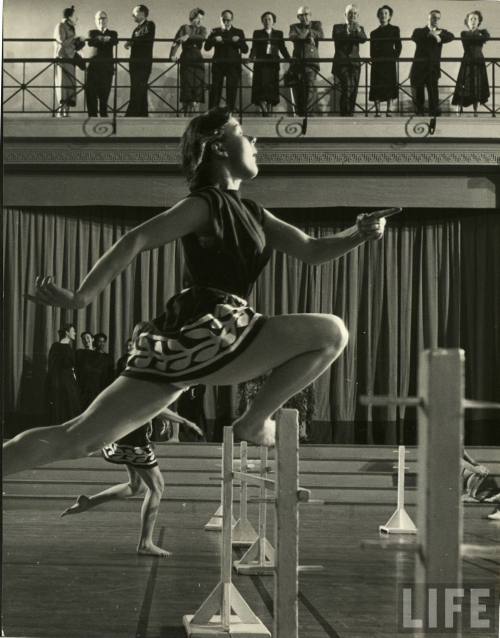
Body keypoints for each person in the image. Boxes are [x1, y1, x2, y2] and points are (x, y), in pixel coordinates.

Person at [5, 106, 389, 479]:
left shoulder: (252, 211)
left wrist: (359, 233)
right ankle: (254, 420)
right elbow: (136, 238)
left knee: (77, 437)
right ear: (219, 146)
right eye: (242, 131)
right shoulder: (204, 203)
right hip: (212, 325)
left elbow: (312, 250)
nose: (255, 141)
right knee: (331, 332)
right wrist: (80, 297)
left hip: (186, 345)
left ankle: (254, 419)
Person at [61, 323, 203, 556]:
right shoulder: (143, 366)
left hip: (124, 432)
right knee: (157, 487)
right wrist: (184, 421)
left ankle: (89, 502)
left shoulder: (133, 363)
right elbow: (155, 405)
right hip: (132, 436)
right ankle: (145, 543)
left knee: (136, 486)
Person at [410, 10, 454, 117]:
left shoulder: (442, 32)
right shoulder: (419, 31)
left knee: (433, 91)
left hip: (432, 67)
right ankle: (419, 112)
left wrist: (438, 36)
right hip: (419, 67)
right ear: (428, 17)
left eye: (438, 18)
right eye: (434, 17)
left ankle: (433, 114)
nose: (436, 20)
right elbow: (414, 36)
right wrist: (430, 34)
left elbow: (451, 36)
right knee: (419, 90)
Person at [204, 10, 248, 112]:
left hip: (233, 65)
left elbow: (245, 49)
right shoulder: (215, 31)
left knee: (232, 90)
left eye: (228, 20)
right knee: (215, 90)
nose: (226, 22)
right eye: (224, 20)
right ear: (221, 19)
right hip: (218, 65)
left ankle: (229, 114)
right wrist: (214, 39)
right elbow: (206, 47)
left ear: (232, 20)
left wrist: (238, 41)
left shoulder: (239, 32)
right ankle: (212, 115)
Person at [249, 11, 290, 117]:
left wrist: (288, 58)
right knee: (261, 87)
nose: (267, 21)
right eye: (265, 19)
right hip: (261, 63)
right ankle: (265, 111)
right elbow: (254, 47)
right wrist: (251, 57)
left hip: (272, 63)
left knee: (272, 87)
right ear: (262, 21)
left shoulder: (278, 33)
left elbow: (282, 48)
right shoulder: (257, 33)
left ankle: (269, 111)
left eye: (269, 19)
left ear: (273, 21)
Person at [451, 11, 490, 116]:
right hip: (467, 60)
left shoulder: (484, 32)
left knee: (477, 83)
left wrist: (480, 35)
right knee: (464, 82)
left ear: (479, 21)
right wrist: (479, 35)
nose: (473, 21)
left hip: (478, 60)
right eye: (471, 19)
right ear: (467, 22)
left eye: (475, 19)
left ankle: (475, 111)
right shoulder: (464, 33)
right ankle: (459, 109)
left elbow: (486, 38)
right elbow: (469, 40)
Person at [332, 4, 367, 117]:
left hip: (355, 63)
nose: (353, 15)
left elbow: (363, 39)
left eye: (355, 13)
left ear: (358, 15)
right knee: (347, 86)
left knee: (354, 89)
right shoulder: (337, 27)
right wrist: (348, 31)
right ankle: (344, 114)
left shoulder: (360, 28)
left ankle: (350, 113)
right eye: (350, 13)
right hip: (342, 63)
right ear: (345, 15)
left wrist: (357, 30)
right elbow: (337, 38)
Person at [170, 8, 207, 116]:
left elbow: (202, 38)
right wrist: (172, 55)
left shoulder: (203, 29)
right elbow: (176, 41)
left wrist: (188, 36)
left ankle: (194, 117)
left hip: (198, 59)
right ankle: (185, 116)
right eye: (197, 19)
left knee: (197, 87)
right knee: (187, 86)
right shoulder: (184, 27)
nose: (199, 21)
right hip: (186, 57)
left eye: (201, 19)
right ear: (192, 18)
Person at [289, 6, 324, 117]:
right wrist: (307, 32)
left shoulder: (317, 24)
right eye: (302, 15)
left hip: (311, 62)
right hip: (298, 63)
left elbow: (321, 35)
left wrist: (310, 33)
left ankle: (307, 114)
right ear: (298, 17)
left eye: (307, 14)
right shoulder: (293, 27)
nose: (305, 17)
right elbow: (293, 36)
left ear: (310, 15)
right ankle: (301, 114)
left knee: (310, 88)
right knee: (300, 89)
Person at [369, 5, 401, 117]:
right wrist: (374, 60)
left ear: (390, 16)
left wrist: (394, 57)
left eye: (386, 13)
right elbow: (371, 49)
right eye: (381, 13)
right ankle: (377, 111)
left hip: (389, 61)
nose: (383, 15)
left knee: (390, 85)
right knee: (377, 85)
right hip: (377, 62)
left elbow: (398, 46)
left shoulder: (394, 29)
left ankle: (389, 110)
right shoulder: (374, 33)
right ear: (378, 16)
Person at [46, 324, 82, 424]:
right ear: (67, 332)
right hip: (62, 383)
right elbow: (54, 366)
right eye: (73, 331)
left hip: (69, 381)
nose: (75, 333)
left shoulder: (68, 347)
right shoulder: (57, 346)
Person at [85, 10, 118, 118]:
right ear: (95, 20)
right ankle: (92, 117)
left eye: (103, 18)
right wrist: (104, 39)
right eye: (99, 18)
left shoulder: (113, 33)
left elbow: (114, 41)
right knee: (91, 93)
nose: (101, 20)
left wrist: (101, 39)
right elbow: (91, 42)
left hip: (107, 68)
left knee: (105, 94)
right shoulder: (92, 32)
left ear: (107, 20)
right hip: (93, 68)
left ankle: (104, 116)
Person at [54, 6, 85, 117]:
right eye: (75, 15)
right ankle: (61, 111)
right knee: (63, 85)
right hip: (63, 59)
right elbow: (62, 41)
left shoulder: (69, 27)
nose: (77, 18)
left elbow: (68, 44)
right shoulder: (61, 26)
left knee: (69, 85)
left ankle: (66, 112)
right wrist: (76, 39)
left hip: (70, 59)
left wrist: (78, 43)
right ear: (70, 16)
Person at [125, 5, 155, 117]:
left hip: (143, 62)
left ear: (142, 13)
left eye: (135, 12)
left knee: (139, 87)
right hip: (135, 62)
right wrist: (131, 41)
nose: (133, 15)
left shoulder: (150, 25)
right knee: (137, 87)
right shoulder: (136, 29)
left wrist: (132, 41)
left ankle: (132, 113)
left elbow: (147, 38)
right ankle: (142, 113)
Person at [462, 450, 500, 520]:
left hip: (463, 469)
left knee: (482, 471)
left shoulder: (461, 448)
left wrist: (482, 468)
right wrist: (475, 470)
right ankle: (467, 494)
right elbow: (461, 463)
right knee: (478, 471)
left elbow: (471, 461)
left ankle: (471, 495)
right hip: (454, 471)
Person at [75, 330, 101, 409]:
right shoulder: (79, 353)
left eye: (88, 337)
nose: (86, 340)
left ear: (92, 339)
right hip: (82, 387)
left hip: (95, 387)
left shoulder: (99, 355)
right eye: (83, 339)